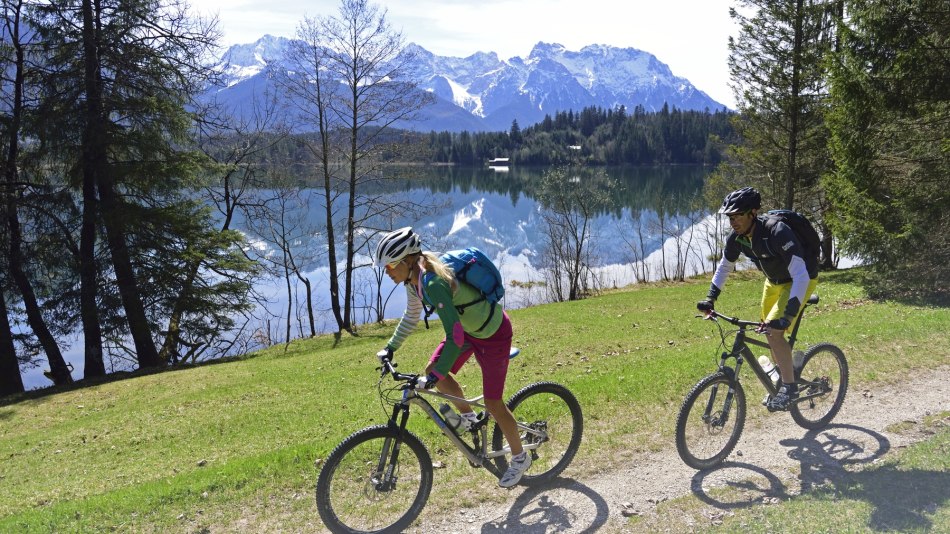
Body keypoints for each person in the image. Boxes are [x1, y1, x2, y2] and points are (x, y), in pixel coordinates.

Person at [373, 227, 531, 488]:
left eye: (390, 265)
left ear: (407, 260)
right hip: (468, 331)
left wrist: (433, 378)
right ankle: (469, 418)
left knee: (493, 403)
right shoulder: (414, 283)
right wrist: (391, 347)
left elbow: (454, 336)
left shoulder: (433, 282)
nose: (387, 271)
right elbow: (412, 316)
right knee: (435, 367)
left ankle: (519, 457)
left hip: (492, 334)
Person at [697, 187, 819, 411]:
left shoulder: (777, 232)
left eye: (738, 216)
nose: (733, 222)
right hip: (772, 282)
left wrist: (789, 313)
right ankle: (787, 370)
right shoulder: (737, 238)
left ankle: (789, 388)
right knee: (767, 330)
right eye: (730, 217)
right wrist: (710, 298)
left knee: (775, 331)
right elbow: (725, 267)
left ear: (753, 213)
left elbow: (800, 274)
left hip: (800, 279)